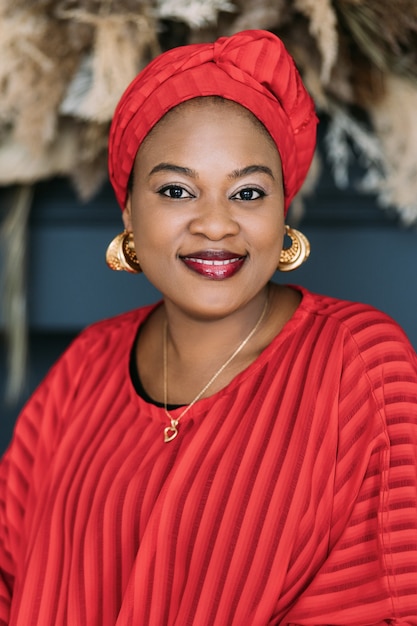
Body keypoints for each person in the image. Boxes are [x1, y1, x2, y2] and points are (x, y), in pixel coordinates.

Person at [0, 29, 416, 626]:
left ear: (283, 210)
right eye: (177, 190)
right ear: (129, 213)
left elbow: (387, 598)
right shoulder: (87, 365)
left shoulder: (358, 362)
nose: (216, 225)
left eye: (247, 192)